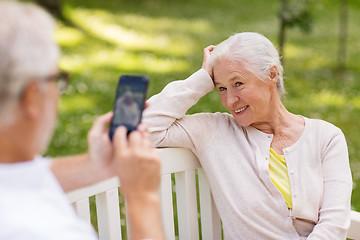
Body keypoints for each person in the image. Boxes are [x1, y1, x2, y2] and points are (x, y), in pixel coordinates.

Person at [143, 32, 353, 239]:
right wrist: (201, 79)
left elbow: (334, 223)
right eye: (222, 88)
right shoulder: (213, 132)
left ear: (272, 75)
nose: (230, 100)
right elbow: (142, 129)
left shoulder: (327, 138)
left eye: (238, 84)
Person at [0, 1, 164, 240]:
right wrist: (143, 198)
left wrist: (97, 165)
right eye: (56, 79)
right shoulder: (41, 230)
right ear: (32, 97)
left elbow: (19, 177)